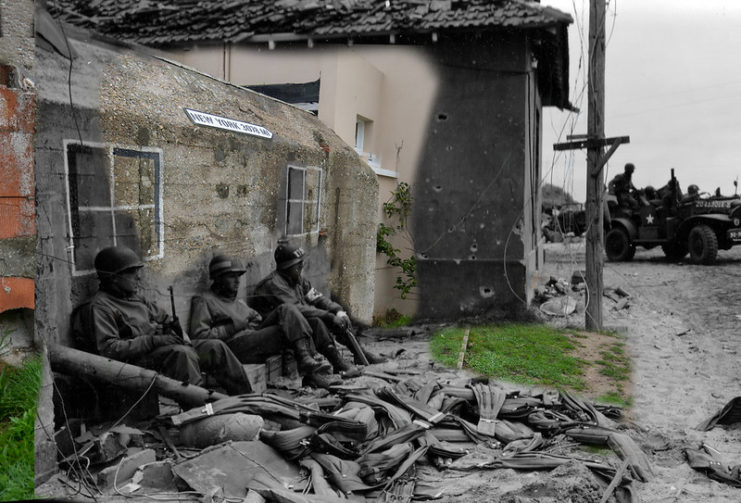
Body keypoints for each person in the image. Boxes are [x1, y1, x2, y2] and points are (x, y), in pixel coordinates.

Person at [74, 245, 253, 395]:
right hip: (137, 363)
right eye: (132, 273)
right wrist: (153, 340)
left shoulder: (135, 298)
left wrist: (173, 328)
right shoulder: (99, 307)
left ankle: (247, 400)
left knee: (215, 347)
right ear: (114, 278)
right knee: (182, 354)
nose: (139, 277)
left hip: (160, 351)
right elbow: (109, 349)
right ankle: (200, 412)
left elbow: (164, 318)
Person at [188, 254, 334, 386]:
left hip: (252, 338)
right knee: (287, 330)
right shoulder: (204, 300)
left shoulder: (236, 301)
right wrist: (231, 328)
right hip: (233, 347)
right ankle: (309, 366)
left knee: (287, 309)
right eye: (231, 276)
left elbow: (255, 318)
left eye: (238, 276)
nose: (237, 281)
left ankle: (307, 359)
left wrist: (250, 323)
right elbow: (199, 336)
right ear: (218, 278)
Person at [253, 240, 387, 374]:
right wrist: (329, 316)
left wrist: (338, 310)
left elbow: (317, 297)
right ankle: (337, 361)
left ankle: (360, 352)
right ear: (286, 267)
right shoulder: (274, 284)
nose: (301, 267)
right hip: (277, 329)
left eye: (301, 263)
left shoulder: (297, 279)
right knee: (318, 321)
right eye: (297, 265)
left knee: (338, 318)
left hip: (295, 326)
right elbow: (297, 309)